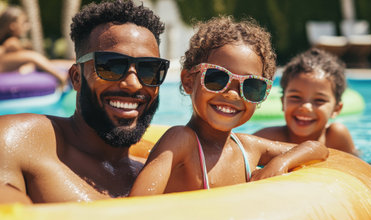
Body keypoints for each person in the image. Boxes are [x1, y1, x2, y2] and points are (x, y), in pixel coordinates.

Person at [129, 16, 328, 196]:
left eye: (251, 86)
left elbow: (317, 148)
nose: (232, 94)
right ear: (189, 81)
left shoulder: (248, 148)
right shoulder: (180, 142)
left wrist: (282, 162)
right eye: (216, 78)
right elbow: (137, 205)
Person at [0, 0, 170, 204]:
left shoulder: (155, 172)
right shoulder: (20, 141)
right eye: (111, 66)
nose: (133, 84)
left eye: (149, 69)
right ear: (76, 78)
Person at [254, 48, 358, 155]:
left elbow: (358, 167)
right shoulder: (267, 138)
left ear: (336, 109)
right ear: (282, 102)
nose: (306, 107)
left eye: (319, 100)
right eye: (295, 97)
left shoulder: (335, 137)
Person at [0, 5, 69, 86]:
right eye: (24, 23)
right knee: (32, 57)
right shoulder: (11, 43)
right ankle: (62, 77)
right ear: (13, 26)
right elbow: (32, 58)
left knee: (44, 62)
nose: (27, 26)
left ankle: (70, 64)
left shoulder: (9, 44)